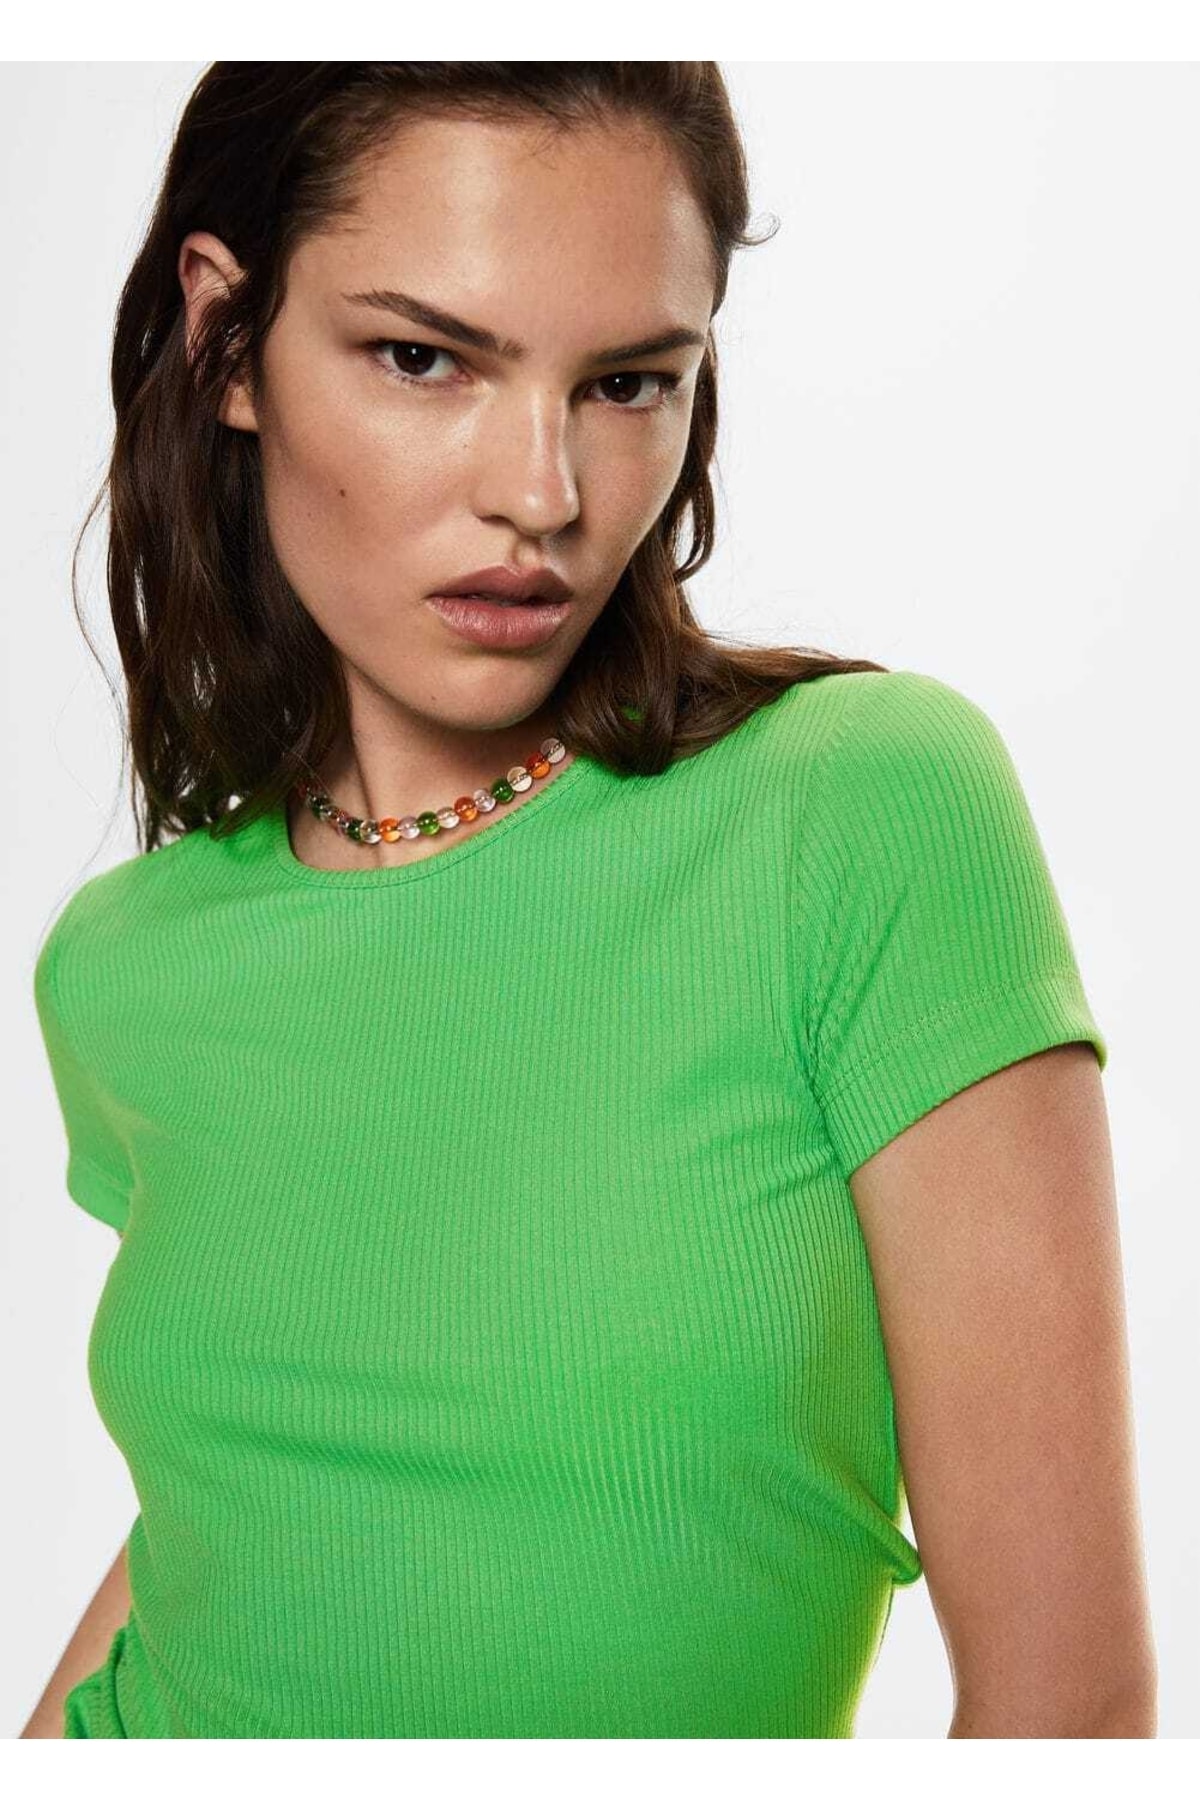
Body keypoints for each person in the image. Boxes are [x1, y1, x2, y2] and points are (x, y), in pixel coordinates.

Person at [23, 62, 1155, 1739]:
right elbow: (241, 1514)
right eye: (424, 359)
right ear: (224, 342)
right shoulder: (123, 962)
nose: (543, 496)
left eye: (629, 382)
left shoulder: (856, 817)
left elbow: (1069, 1714)